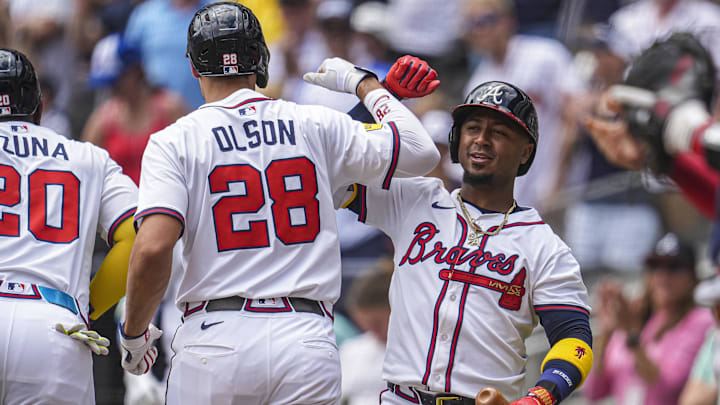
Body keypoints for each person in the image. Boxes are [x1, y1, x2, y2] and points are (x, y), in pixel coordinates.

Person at [118, 3, 440, 405]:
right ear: (260, 59)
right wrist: (367, 85)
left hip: (215, 337)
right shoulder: (314, 121)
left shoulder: (175, 139)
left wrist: (133, 333)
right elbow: (420, 151)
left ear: (196, 68)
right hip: (305, 338)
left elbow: (152, 246)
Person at [332, 80, 593, 404]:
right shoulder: (413, 199)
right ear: (457, 139)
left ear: (526, 150)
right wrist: (380, 93)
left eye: (499, 132)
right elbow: (329, 162)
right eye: (472, 127)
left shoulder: (545, 246)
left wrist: (541, 396)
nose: (481, 140)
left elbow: (575, 339)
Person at [0, 48, 138, 404]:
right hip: (54, 324)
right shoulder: (86, 156)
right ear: (39, 108)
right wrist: (90, 308)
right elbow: (140, 236)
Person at [583, 233, 714, 405]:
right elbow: (594, 392)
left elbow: (667, 390)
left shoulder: (701, 321)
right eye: (655, 266)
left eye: (673, 267)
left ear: (693, 278)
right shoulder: (638, 316)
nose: (662, 276)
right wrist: (606, 332)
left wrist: (632, 336)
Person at [340, 267, 393, 405]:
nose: (372, 331)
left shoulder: (420, 354)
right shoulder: (351, 350)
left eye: (378, 323)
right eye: (364, 325)